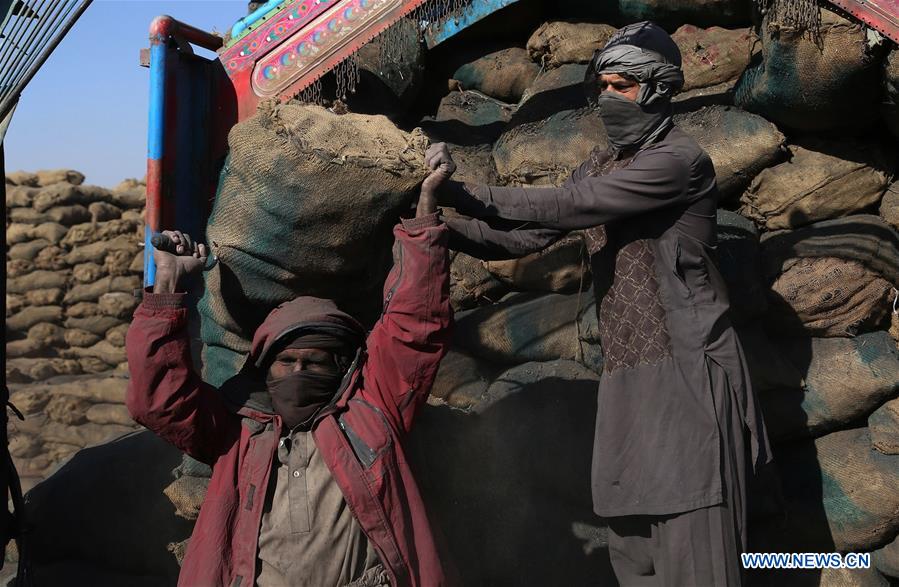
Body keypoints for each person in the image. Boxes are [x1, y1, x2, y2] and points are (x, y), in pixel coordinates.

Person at [435, 21, 772, 586]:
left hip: (687, 380)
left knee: (698, 560)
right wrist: (440, 224)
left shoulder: (679, 161)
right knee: (633, 555)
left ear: (658, 89)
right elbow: (523, 239)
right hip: (625, 385)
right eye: (605, 85)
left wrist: (465, 190)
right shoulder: (596, 164)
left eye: (623, 85)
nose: (608, 97)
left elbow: (574, 205)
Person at [126, 144, 457, 587]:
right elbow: (160, 400)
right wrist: (166, 283)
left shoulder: (371, 416)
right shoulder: (236, 433)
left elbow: (415, 326)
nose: (299, 372)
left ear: (342, 368)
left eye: (315, 361)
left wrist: (424, 215)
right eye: (286, 361)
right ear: (264, 367)